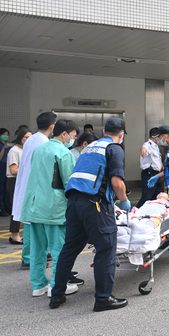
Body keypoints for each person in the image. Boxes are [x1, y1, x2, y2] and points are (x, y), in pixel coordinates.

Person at [50, 118, 130, 311]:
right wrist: (124, 200)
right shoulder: (114, 148)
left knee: (69, 249)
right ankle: (103, 299)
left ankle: (57, 295)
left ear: (104, 131)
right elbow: (117, 183)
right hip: (95, 205)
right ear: (121, 135)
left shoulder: (89, 147)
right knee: (106, 249)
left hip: (74, 202)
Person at [21, 120, 80, 297]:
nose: (72, 140)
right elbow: (69, 183)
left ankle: (38, 285)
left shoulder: (39, 149)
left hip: (34, 204)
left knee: (38, 249)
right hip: (54, 206)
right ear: (64, 134)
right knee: (58, 249)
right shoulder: (64, 152)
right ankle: (56, 285)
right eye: (73, 136)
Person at [13, 112, 57, 270]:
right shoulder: (44, 142)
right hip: (36, 187)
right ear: (52, 126)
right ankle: (29, 257)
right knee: (33, 223)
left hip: (28, 185)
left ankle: (35, 254)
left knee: (32, 222)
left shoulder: (32, 138)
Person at [6, 128, 32, 244]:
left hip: (23, 180)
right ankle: (14, 235)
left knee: (22, 207)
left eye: (30, 137)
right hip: (14, 181)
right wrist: (28, 169)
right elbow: (13, 170)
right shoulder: (14, 150)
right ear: (20, 137)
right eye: (26, 137)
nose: (28, 140)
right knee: (16, 207)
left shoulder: (27, 150)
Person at [138, 127, 162, 208]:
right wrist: (143, 150)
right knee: (147, 196)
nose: (162, 138)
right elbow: (144, 149)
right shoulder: (147, 145)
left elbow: (158, 159)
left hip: (156, 174)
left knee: (156, 196)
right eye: (160, 136)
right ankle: (136, 212)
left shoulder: (156, 146)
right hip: (149, 174)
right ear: (156, 136)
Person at [0, 128, 11, 216]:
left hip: (7, 166)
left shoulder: (8, 145)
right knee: (1, 188)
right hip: (1, 166)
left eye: (7, 134)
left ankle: (7, 207)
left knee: (6, 189)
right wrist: (3, 148)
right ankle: (1, 208)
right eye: (4, 134)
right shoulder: (2, 145)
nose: (5, 136)